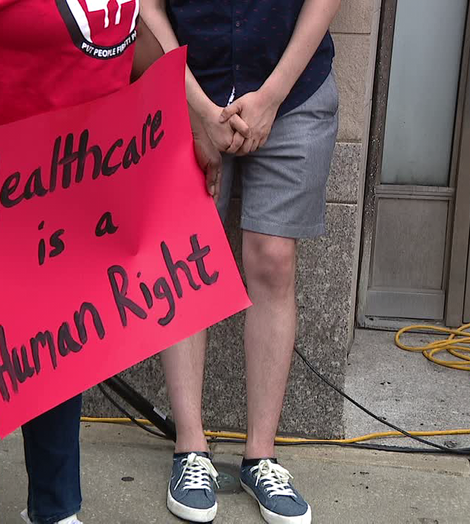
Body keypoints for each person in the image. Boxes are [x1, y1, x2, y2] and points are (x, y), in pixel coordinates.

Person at [0, 1, 220, 521]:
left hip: (83, 192)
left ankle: (57, 508)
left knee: (62, 351)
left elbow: (130, 37)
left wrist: (188, 119)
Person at [141, 1, 341, 523]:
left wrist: (272, 97)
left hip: (293, 91)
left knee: (274, 259)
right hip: (187, 88)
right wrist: (197, 107)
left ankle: (262, 455)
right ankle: (190, 447)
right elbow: (146, 6)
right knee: (185, 258)